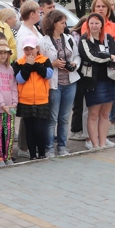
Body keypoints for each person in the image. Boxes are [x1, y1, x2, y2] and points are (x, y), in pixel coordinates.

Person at [77, 13, 115, 149]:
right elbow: (91, 56)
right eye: (91, 23)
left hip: (109, 80)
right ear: (87, 24)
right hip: (94, 82)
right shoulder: (84, 40)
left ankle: (102, 144)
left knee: (105, 114)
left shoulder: (108, 38)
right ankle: (94, 144)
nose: (94, 26)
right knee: (93, 114)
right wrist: (110, 57)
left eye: (97, 23)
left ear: (102, 24)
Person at [38, 10, 80, 157]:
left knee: (64, 117)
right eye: (62, 22)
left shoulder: (68, 38)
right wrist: (52, 63)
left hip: (70, 82)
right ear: (53, 23)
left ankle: (62, 146)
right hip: (53, 85)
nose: (64, 25)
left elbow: (77, 55)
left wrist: (75, 63)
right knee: (52, 118)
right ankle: (49, 148)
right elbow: (40, 63)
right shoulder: (43, 41)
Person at [13, 36, 53, 160]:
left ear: (37, 48)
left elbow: (48, 74)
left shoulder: (45, 60)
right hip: (26, 100)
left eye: (32, 48)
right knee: (29, 130)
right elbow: (20, 79)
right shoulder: (19, 63)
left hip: (42, 100)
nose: (29, 51)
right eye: (26, 49)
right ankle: (32, 155)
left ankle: (42, 153)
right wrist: (28, 65)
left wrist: (35, 64)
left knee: (40, 129)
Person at [0, 39, 18, 166]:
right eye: (0, 53)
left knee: (10, 131)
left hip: (10, 106)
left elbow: (13, 87)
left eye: (5, 52)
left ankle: (8, 156)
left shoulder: (10, 69)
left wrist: (14, 102)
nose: (3, 55)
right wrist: (2, 104)